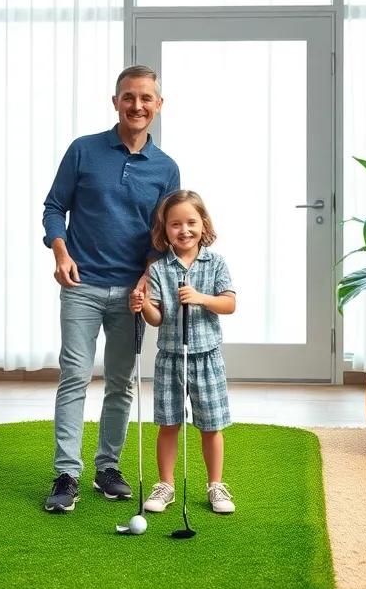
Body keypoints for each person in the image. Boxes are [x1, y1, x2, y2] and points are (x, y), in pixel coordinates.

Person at [42, 65, 180, 514]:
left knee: (121, 383)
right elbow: (53, 208)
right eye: (128, 97)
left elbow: (167, 234)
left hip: (132, 293)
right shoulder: (83, 151)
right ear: (115, 101)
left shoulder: (166, 168)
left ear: (158, 105)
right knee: (75, 376)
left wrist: (148, 276)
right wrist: (61, 254)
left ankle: (108, 468)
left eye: (146, 98)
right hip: (81, 286)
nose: (137, 106)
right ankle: (67, 474)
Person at [130, 189, 237, 515]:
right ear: (165, 231)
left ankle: (215, 485)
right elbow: (158, 317)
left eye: (191, 222)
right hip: (171, 359)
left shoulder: (216, 263)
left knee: (210, 425)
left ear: (203, 225)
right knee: (169, 423)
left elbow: (229, 303)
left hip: (207, 358)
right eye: (175, 224)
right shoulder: (160, 270)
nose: (184, 230)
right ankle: (166, 485)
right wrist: (143, 304)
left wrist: (201, 298)